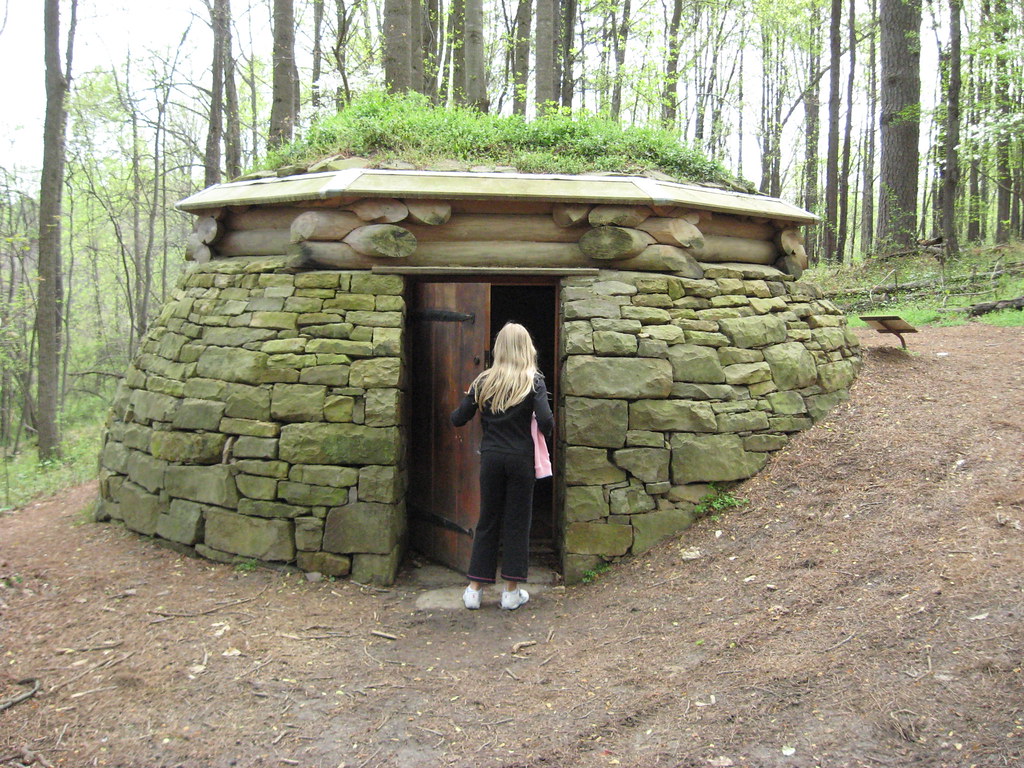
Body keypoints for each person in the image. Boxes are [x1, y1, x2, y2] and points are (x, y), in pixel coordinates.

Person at [451, 322, 554, 611]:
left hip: (492, 458)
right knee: (517, 522)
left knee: (488, 520)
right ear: (526, 348)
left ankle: (474, 591)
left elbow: (459, 418)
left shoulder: (483, 380)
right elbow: (546, 422)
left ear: (499, 348)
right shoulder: (533, 380)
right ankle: (511, 593)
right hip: (521, 459)